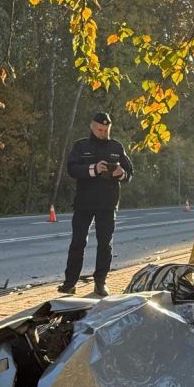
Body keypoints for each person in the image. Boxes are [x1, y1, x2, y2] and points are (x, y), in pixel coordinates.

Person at [59, 112, 134, 297]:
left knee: (105, 244)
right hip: (84, 202)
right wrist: (93, 169)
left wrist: (121, 173)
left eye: (106, 129)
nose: (103, 132)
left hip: (108, 204)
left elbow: (130, 173)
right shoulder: (81, 145)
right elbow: (72, 169)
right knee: (78, 242)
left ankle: (100, 282)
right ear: (92, 127)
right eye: (100, 129)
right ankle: (70, 283)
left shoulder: (117, 147)